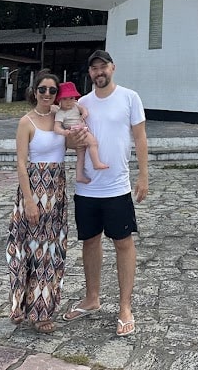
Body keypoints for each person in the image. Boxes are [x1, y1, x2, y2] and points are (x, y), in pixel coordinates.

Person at [62, 50, 149, 338]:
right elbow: (70, 140)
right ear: (89, 73)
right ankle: (92, 298)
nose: (99, 72)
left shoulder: (129, 98)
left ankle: (125, 306)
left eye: (103, 67)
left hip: (117, 186)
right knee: (89, 241)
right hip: (87, 187)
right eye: (94, 69)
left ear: (113, 67)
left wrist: (144, 175)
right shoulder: (81, 104)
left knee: (123, 242)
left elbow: (139, 137)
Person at [6, 70, 70, 333]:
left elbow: (81, 126)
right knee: (27, 250)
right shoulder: (26, 122)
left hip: (57, 190)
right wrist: (30, 201)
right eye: (42, 89)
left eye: (52, 90)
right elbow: (21, 163)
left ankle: (43, 311)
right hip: (33, 189)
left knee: (51, 252)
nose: (47, 94)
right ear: (34, 91)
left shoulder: (62, 116)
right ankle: (20, 305)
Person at [51, 80, 109, 184]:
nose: (69, 101)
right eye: (65, 99)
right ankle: (96, 163)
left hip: (80, 128)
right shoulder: (60, 113)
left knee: (81, 156)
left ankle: (79, 176)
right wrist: (64, 132)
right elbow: (56, 127)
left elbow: (85, 110)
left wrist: (84, 115)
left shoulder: (76, 106)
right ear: (59, 100)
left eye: (72, 98)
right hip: (75, 131)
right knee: (93, 143)